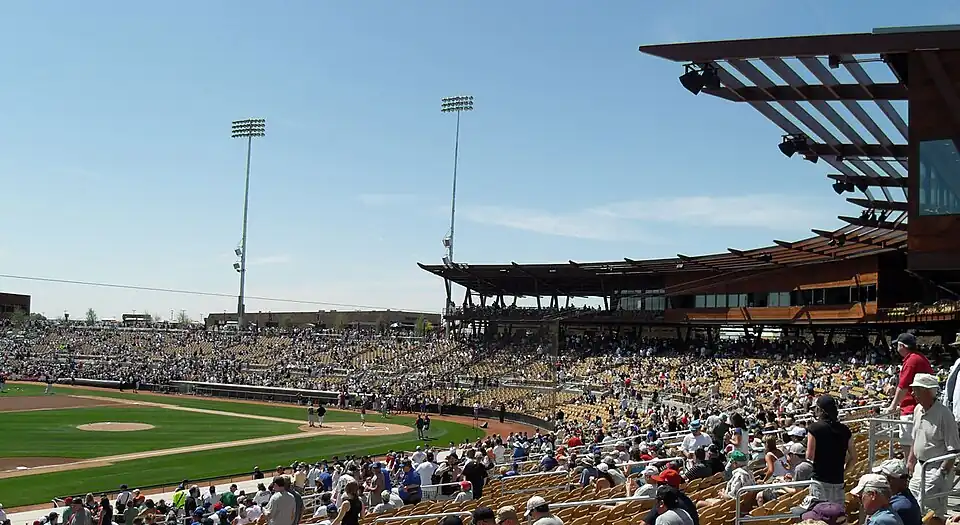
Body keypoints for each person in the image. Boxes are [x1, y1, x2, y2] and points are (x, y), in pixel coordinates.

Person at [906, 373, 960, 525]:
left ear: (927, 391)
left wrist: (941, 473)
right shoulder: (917, 409)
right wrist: (910, 460)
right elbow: (915, 437)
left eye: (916, 390)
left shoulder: (944, 414)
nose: (913, 393)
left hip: (936, 468)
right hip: (919, 466)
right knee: (914, 504)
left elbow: (953, 449)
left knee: (933, 510)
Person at [886, 333, 933, 455]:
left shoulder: (912, 360)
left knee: (907, 442)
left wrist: (892, 406)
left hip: (912, 409)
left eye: (897, 344)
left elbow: (903, 387)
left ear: (902, 345)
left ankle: (910, 470)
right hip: (919, 407)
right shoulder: (918, 357)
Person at [806, 395, 854, 506]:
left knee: (820, 516)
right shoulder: (845, 430)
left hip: (820, 480)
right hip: (838, 480)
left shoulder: (814, 428)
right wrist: (843, 471)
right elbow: (854, 457)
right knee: (837, 516)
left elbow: (809, 456)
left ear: (820, 410)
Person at [873, 459, 921, 525]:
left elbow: (875, 519)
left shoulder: (899, 506)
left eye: (881, 475)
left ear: (890, 479)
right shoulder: (905, 495)